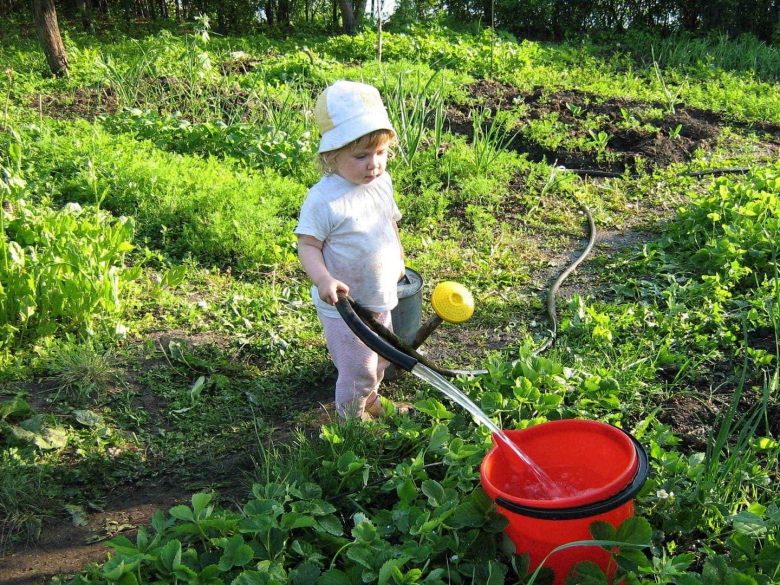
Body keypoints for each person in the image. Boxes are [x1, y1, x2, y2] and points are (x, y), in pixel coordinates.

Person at [294, 80, 406, 421]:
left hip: (379, 295)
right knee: (357, 367)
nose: (374, 164)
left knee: (381, 357)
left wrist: (399, 255)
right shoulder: (324, 200)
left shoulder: (381, 183)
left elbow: (390, 222)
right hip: (344, 305)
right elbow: (307, 246)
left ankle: (369, 398)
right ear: (332, 156)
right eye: (361, 156)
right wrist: (324, 279)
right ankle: (350, 420)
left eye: (381, 153)